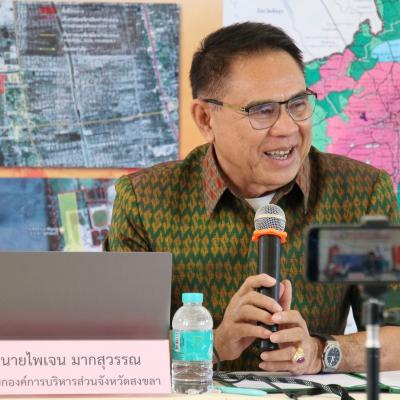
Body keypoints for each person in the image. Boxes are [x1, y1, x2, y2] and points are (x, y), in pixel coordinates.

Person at [104, 22, 400, 373]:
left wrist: (321, 353)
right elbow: (119, 347)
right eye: (262, 111)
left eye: (297, 104)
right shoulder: (145, 200)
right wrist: (213, 344)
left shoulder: (360, 193)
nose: (287, 128)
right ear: (205, 118)